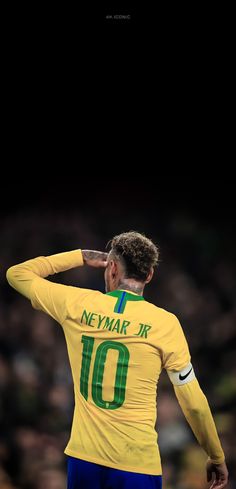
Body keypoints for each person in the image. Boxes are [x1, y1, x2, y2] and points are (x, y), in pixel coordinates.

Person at [6, 231, 228, 489]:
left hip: (84, 460)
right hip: (136, 464)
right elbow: (194, 404)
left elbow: (17, 274)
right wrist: (215, 455)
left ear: (111, 268)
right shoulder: (165, 324)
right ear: (149, 275)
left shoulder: (77, 304)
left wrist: (80, 256)